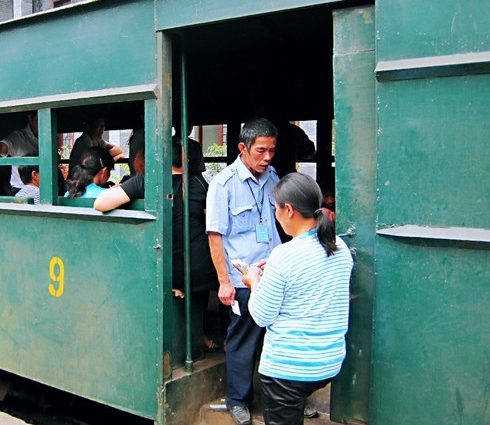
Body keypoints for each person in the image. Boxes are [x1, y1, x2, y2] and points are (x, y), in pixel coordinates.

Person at [241, 173, 354, 425]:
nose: (276, 215)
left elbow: (261, 316)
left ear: (288, 210)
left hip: (288, 369)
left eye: (276, 209)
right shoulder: (339, 247)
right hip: (328, 362)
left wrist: (254, 281)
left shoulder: (285, 255)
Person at [95, 139, 219, 350]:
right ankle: (200, 334)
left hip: (166, 267)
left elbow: (100, 204)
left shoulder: (148, 181)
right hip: (200, 269)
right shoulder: (199, 183)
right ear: (186, 159)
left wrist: (120, 189)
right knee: (198, 283)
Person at [205, 117, 281, 425]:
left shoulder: (273, 176)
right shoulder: (223, 185)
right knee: (243, 340)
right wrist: (225, 282)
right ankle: (238, 400)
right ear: (242, 148)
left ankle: (283, 401)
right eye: (261, 150)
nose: (267, 157)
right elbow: (215, 236)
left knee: (278, 337)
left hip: (275, 273)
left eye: (272, 151)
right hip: (244, 278)